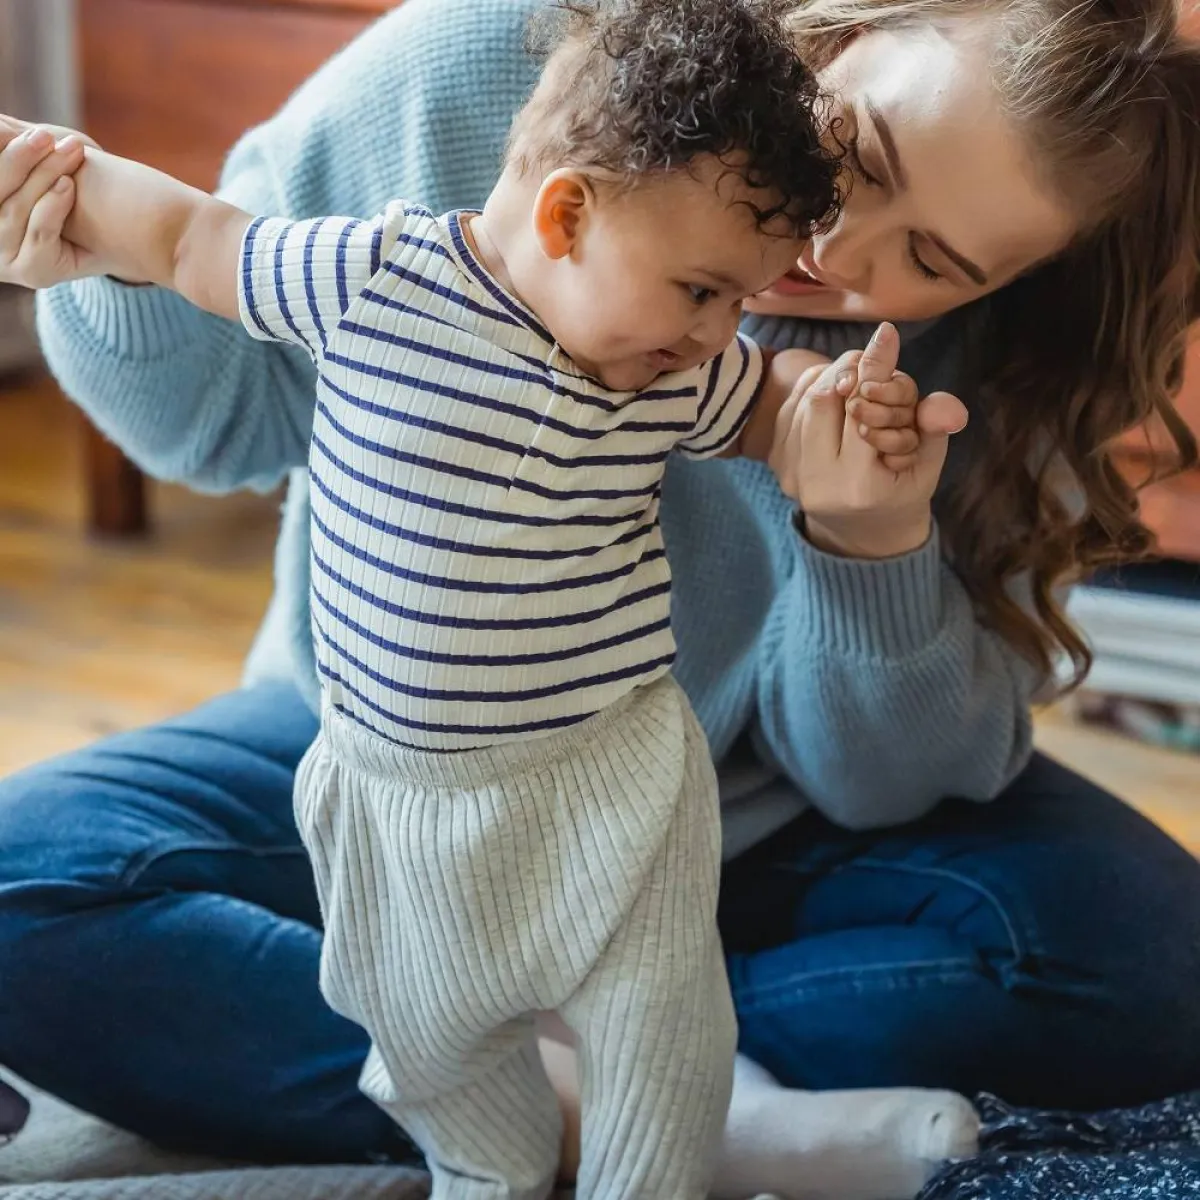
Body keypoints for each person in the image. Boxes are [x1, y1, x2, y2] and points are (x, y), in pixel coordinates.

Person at [1, 0, 1199, 1197]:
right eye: (858, 156)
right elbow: (212, 417)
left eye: (933, 262)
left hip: (732, 821)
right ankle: (640, 1114)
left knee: (1153, 963)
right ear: (837, 23)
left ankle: (623, 1042)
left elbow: (878, 787)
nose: (838, 254)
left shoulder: (990, 368)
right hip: (402, 767)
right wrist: (95, 255)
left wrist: (868, 545)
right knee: (22, 882)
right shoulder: (483, 66)